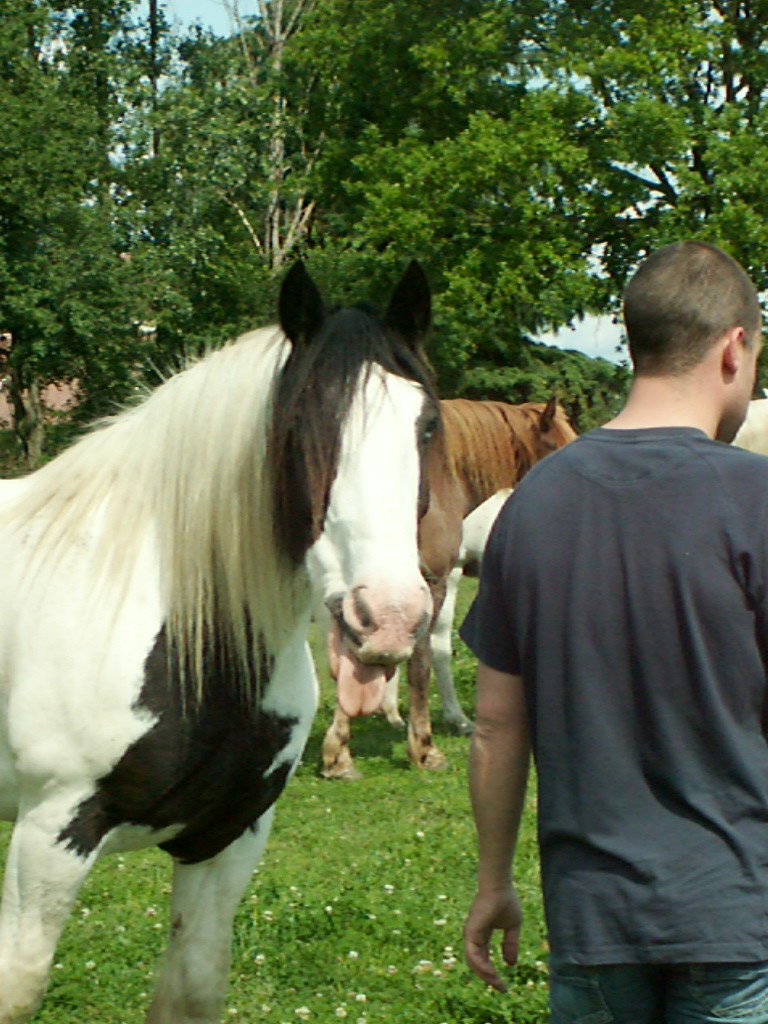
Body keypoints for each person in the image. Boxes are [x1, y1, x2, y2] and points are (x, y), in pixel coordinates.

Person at [460, 240, 768, 1023]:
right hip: (736, 916)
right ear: (735, 348)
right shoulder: (758, 497)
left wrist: (494, 880)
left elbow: (495, 722)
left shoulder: (532, 504)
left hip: (593, 921)